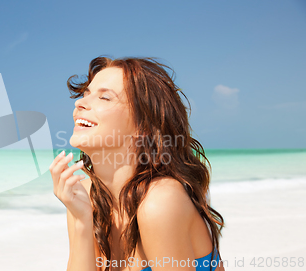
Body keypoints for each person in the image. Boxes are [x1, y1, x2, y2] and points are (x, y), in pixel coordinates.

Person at [50, 56, 225, 271]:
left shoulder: (160, 201)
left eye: (104, 98)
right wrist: (82, 221)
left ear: (143, 125)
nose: (79, 103)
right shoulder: (85, 197)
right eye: (86, 94)